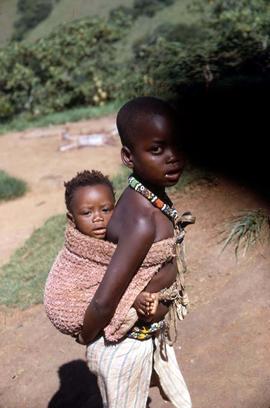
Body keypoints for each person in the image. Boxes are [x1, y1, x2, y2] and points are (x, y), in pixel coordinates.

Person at [80, 96, 193, 408]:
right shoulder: (141, 219)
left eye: (176, 145)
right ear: (128, 156)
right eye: (156, 150)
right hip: (127, 345)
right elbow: (105, 298)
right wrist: (87, 334)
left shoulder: (147, 198)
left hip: (152, 337)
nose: (172, 157)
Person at [44, 169, 159, 340]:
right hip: (82, 313)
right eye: (87, 213)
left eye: (106, 210)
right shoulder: (76, 255)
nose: (98, 218)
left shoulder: (122, 236)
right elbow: (99, 294)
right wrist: (132, 297)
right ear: (72, 218)